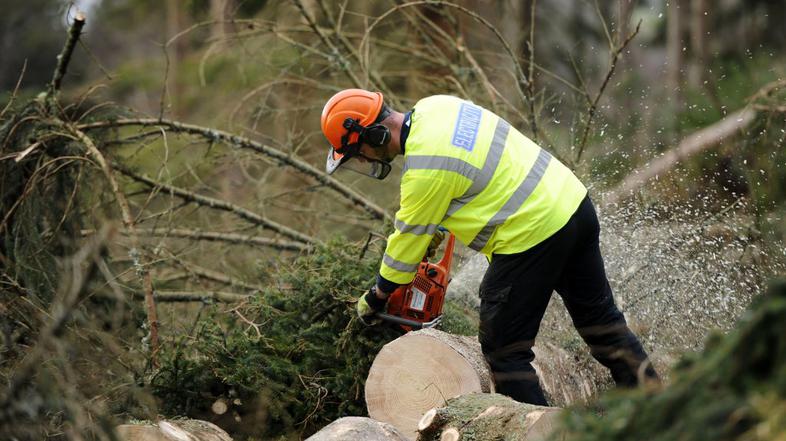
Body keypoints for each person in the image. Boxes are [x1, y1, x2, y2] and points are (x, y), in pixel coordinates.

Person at [319, 89, 658, 405]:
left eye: (356, 153)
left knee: (505, 352)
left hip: (534, 234)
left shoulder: (425, 169)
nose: (362, 162)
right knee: (601, 321)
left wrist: (378, 295)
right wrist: (439, 220)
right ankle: (660, 408)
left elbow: (405, 242)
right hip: (572, 204)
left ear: (373, 135)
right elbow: (475, 165)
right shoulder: (438, 106)